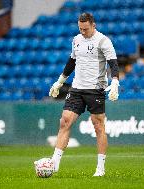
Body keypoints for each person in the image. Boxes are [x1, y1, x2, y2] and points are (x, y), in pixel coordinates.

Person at [35, 13, 119, 177]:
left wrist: (115, 81)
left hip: (95, 89)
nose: (83, 32)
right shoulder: (76, 40)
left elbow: (113, 63)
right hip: (77, 88)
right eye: (80, 29)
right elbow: (72, 61)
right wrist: (60, 81)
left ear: (93, 25)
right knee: (65, 121)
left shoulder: (103, 41)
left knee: (98, 126)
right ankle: (54, 164)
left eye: (85, 29)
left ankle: (100, 168)